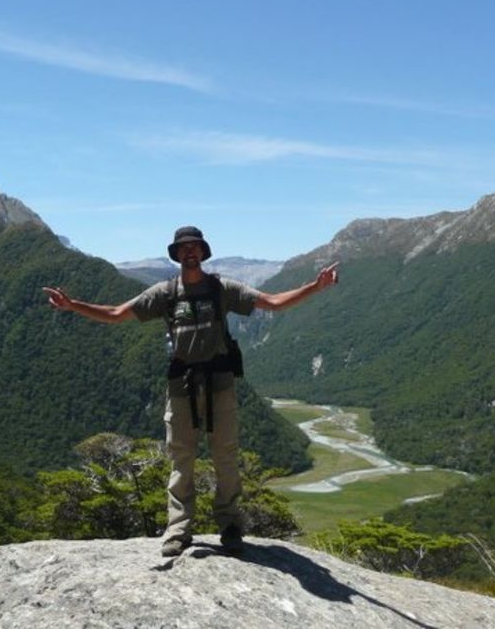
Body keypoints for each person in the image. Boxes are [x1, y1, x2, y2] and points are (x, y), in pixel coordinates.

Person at [43, 226, 339, 557]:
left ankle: (229, 526)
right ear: (176, 254)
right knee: (181, 458)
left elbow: (272, 303)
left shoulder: (222, 288)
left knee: (225, 456)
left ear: (203, 252)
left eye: (194, 247)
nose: (189, 252)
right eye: (183, 248)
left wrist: (315, 287)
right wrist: (73, 306)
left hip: (219, 383)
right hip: (182, 385)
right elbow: (116, 314)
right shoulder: (165, 293)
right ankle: (179, 528)